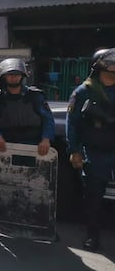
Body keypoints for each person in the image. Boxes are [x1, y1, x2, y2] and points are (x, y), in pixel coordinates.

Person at [66, 48, 115, 251]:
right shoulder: (84, 91)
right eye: (110, 62)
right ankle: (92, 237)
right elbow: (72, 123)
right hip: (95, 150)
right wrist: (74, 150)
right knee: (94, 196)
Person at [0, 58, 54, 155]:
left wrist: (46, 139)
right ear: (4, 77)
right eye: (9, 75)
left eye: (16, 74)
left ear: (22, 76)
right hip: (6, 145)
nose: (13, 77)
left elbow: (47, 119)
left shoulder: (35, 96)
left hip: (33, 144)